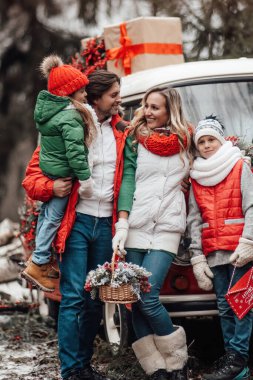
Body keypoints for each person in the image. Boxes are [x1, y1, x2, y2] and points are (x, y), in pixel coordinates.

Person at [22, 69, 129, 380]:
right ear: (93, 98)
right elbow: (31, 179)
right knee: (72, 296)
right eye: (114, 95)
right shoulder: (67, 127)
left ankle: (84, 364)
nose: (119, 100)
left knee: (97, 298)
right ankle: (71, 370)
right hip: (78, 222)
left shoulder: (121, 132)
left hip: (107, 225)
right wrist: (51, 189)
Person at [112, 87, 192, 380]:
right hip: (136, 224)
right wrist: (122, 223)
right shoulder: (135, 139)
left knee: (148, 294)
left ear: (171, 111)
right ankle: (156, 368)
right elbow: (128, 180)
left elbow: (215, 152)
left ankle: (178, 361)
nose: (147, 112)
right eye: (146, 106)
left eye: (155, 107)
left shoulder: (188, 141)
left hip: (168, 226)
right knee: (134, 296)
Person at [22, 55, 95, 293]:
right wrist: (85, 178)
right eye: (82, 91)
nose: (86, 96)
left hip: (51, 173)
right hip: (63, 176)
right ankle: (39, 261)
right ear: (69, 92)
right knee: (53, 218)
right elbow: (75, 153)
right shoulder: (71, 117)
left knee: (46, 217)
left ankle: (40, 260)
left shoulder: (50, 115)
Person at [187, 116, 253, 380]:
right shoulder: (196, 176)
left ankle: (237, 358)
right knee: (225, 307)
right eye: (201, 141)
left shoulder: (239, 166)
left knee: (241, 305)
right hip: (213, 252)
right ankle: (233, 362)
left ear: (221, 140)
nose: (206, 145)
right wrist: (197, 258)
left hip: (239, 251)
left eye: (210, 139)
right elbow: (194, 218)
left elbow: (251, 206)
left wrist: (248, 242)